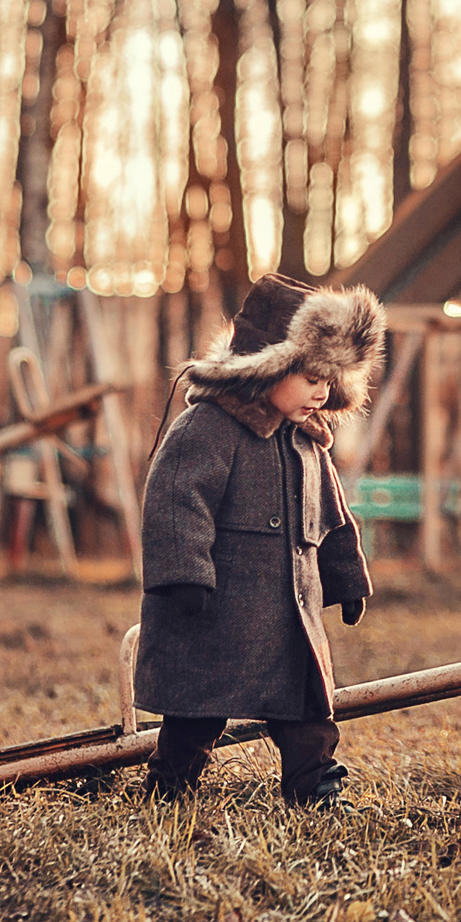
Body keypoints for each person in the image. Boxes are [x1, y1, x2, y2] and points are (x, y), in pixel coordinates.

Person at [135, 274, 385, 805]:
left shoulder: (307, 441)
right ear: (265, 365)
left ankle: (313, 785)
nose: (322, 390)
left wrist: (346, 578)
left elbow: (333, 517)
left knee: (307, 713)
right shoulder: (207, 428)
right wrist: (184, 574)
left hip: (290, 616)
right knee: (196, 714)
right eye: (310, 375)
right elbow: (176, 500)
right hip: (216, 611)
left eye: (331, 378)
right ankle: (170, 783)